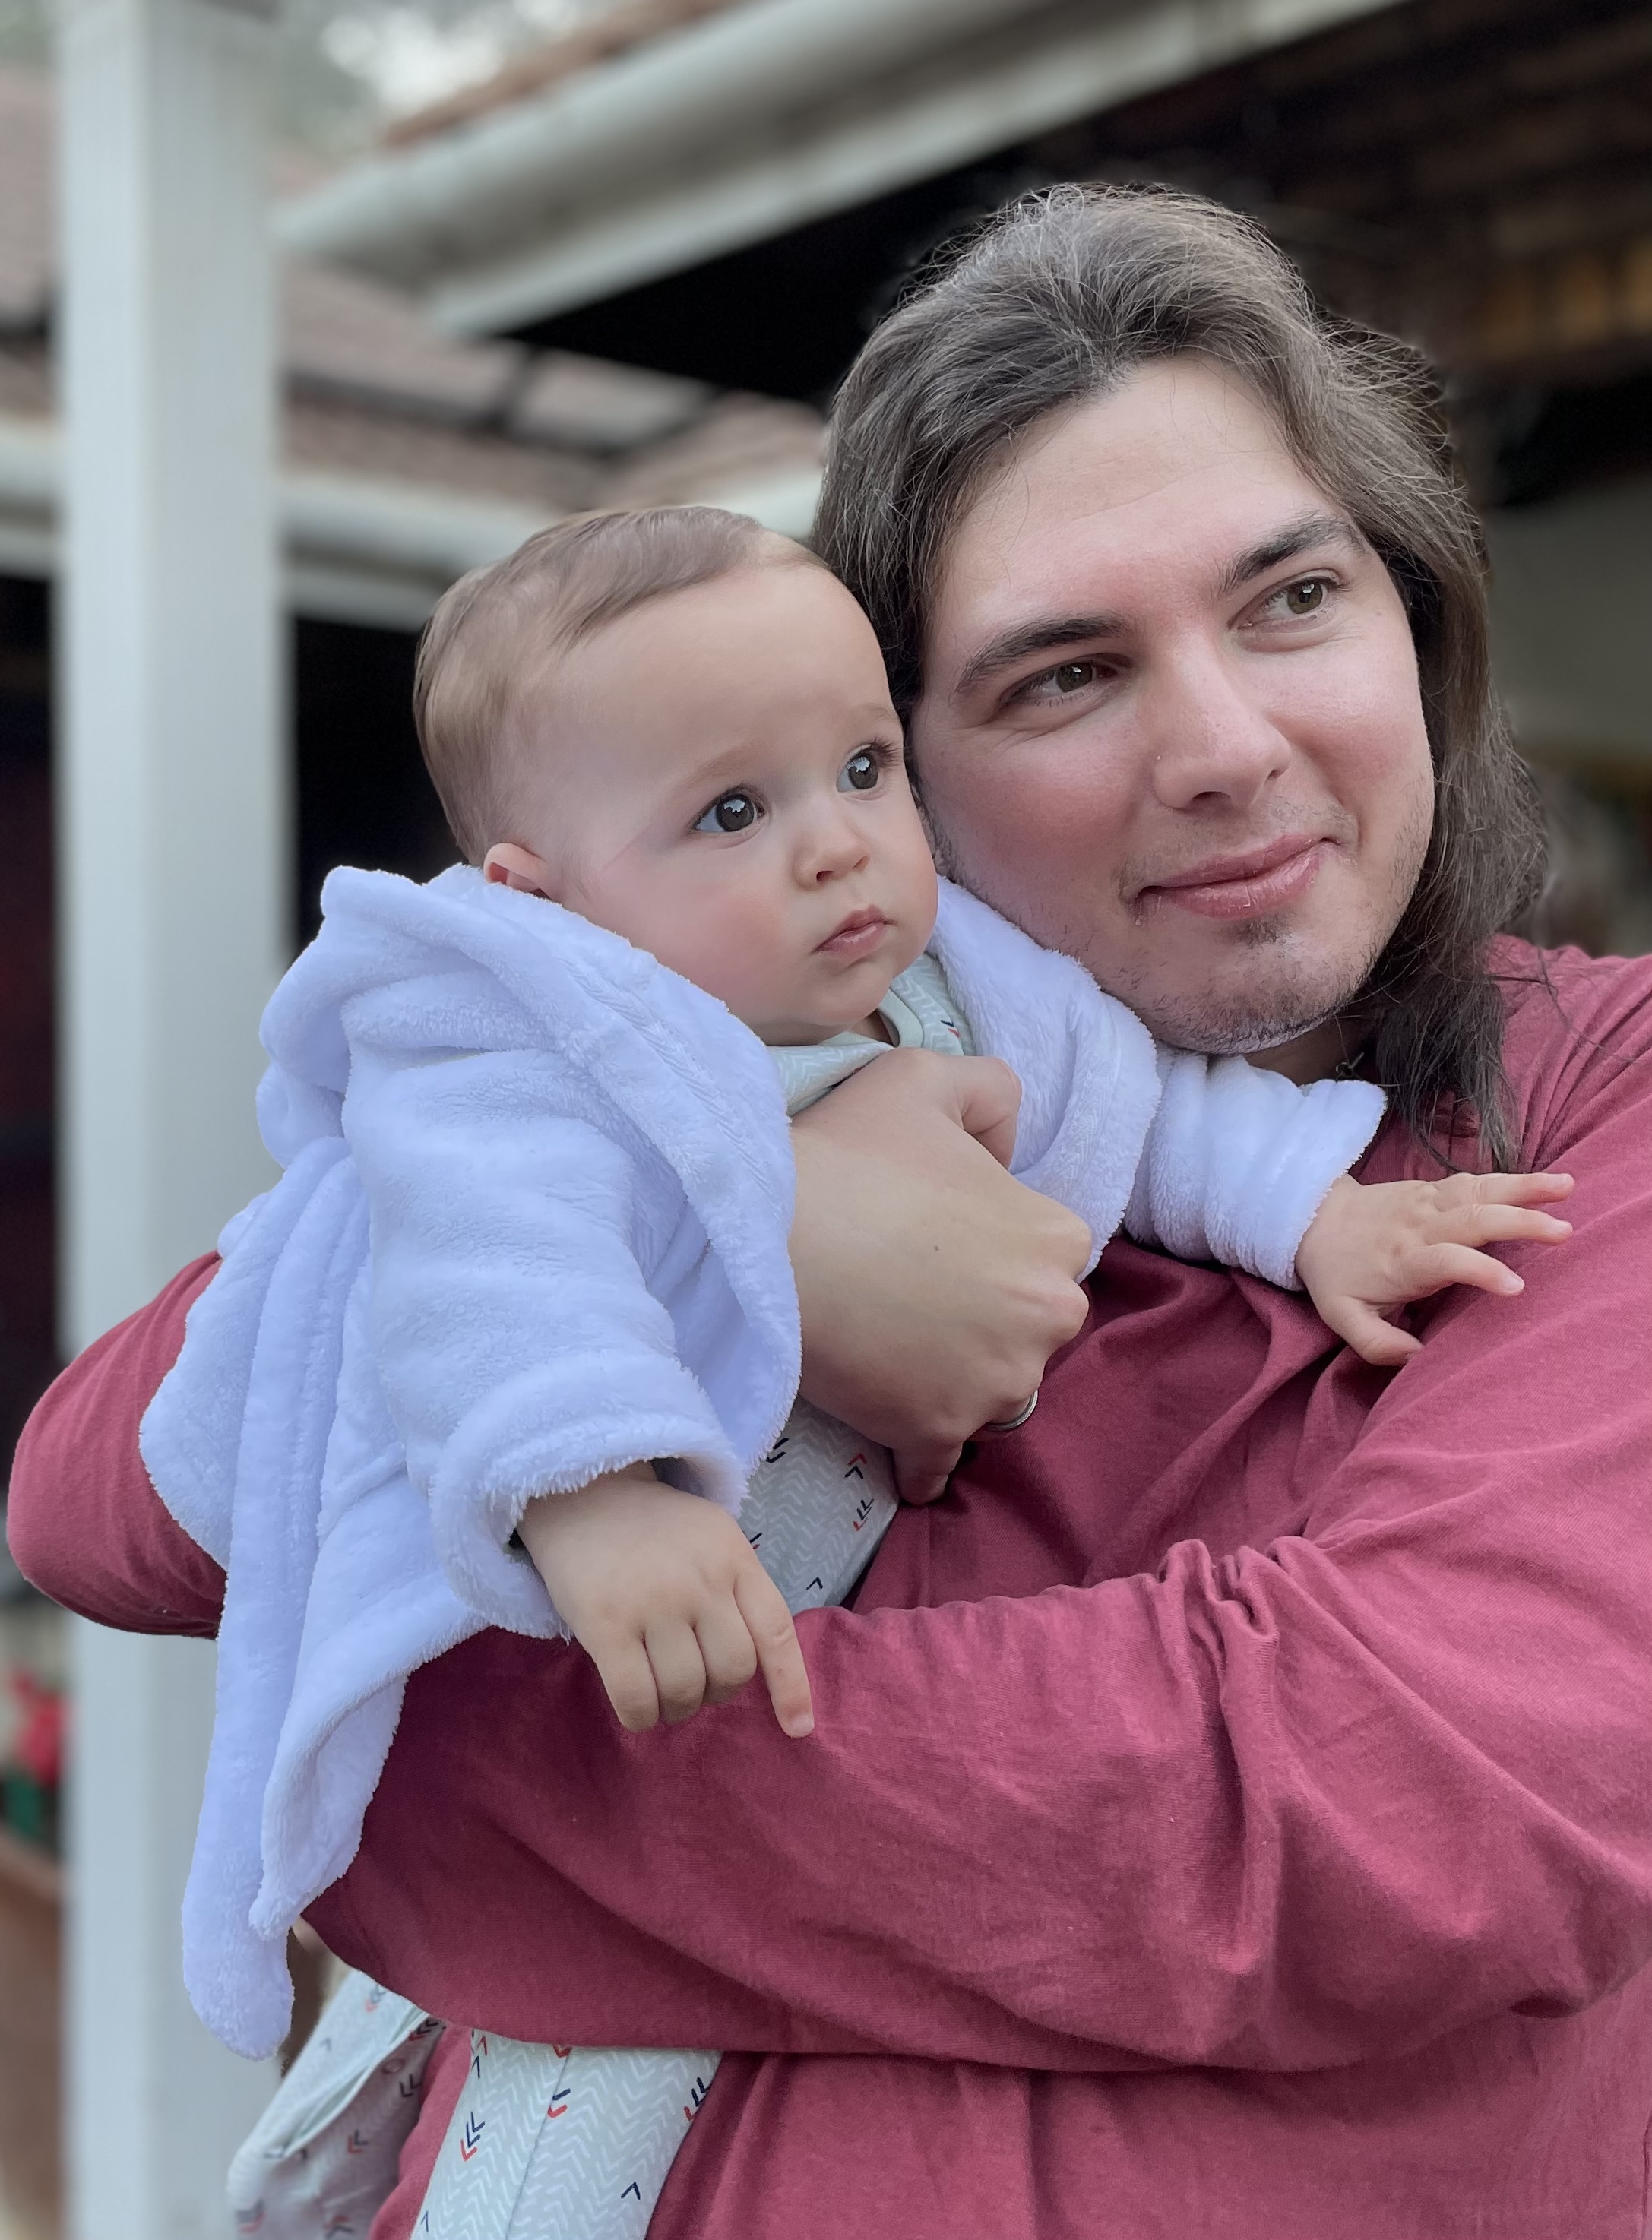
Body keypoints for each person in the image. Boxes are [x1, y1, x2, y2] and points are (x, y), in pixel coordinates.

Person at [13, 184, 1652, 2238]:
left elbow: (1409, 1812)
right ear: (909, 763)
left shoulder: (1588, 1095)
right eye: (1065, 675)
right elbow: (106, 1488)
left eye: (1294, 599)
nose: (1229, 748)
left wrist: (425, 1760)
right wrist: (758, 1206)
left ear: (1416, 613)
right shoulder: (688, 1071)